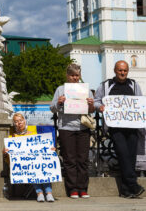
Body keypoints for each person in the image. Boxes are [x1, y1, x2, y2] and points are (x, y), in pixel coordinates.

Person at [94, 60, 146, 198]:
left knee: (130, 157)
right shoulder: (106, 86)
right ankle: (133, 184)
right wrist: (100, 107)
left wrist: (145, 110)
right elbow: (96, 101)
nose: (123, 73)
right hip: (115, 127)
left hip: (133, 126)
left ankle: (126, 190)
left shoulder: (134, 85)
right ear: (115, 70)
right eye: (120, 70)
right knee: (123, 154)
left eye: (125, 71)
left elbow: (140, 101)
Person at [50, 63, 95, 199]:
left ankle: (83, 188)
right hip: (66, 128)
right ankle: (73, 189)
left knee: (83, 159)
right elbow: (52, 108)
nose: (75, 78)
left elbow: (92, 111)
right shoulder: (60, 89)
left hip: (83, 127)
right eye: (72, 75)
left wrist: (91, 104)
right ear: (67, 75)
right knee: (70, 159)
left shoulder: (86, 90)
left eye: (77, 75)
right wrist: (59, 102)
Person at [4, 113, 55, 202]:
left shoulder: (34, 135)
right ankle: (39, 193)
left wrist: (50, 149)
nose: (19, 123)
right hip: (22, 164)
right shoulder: (11, 138)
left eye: (20, 120)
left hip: (35, 162)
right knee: (33, 168)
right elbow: (7, 158)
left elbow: (43, 148)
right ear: (14, 124)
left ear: (24, 121)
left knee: (42, 165)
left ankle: (49, 193)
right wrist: (5, 152)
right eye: (16, 121)